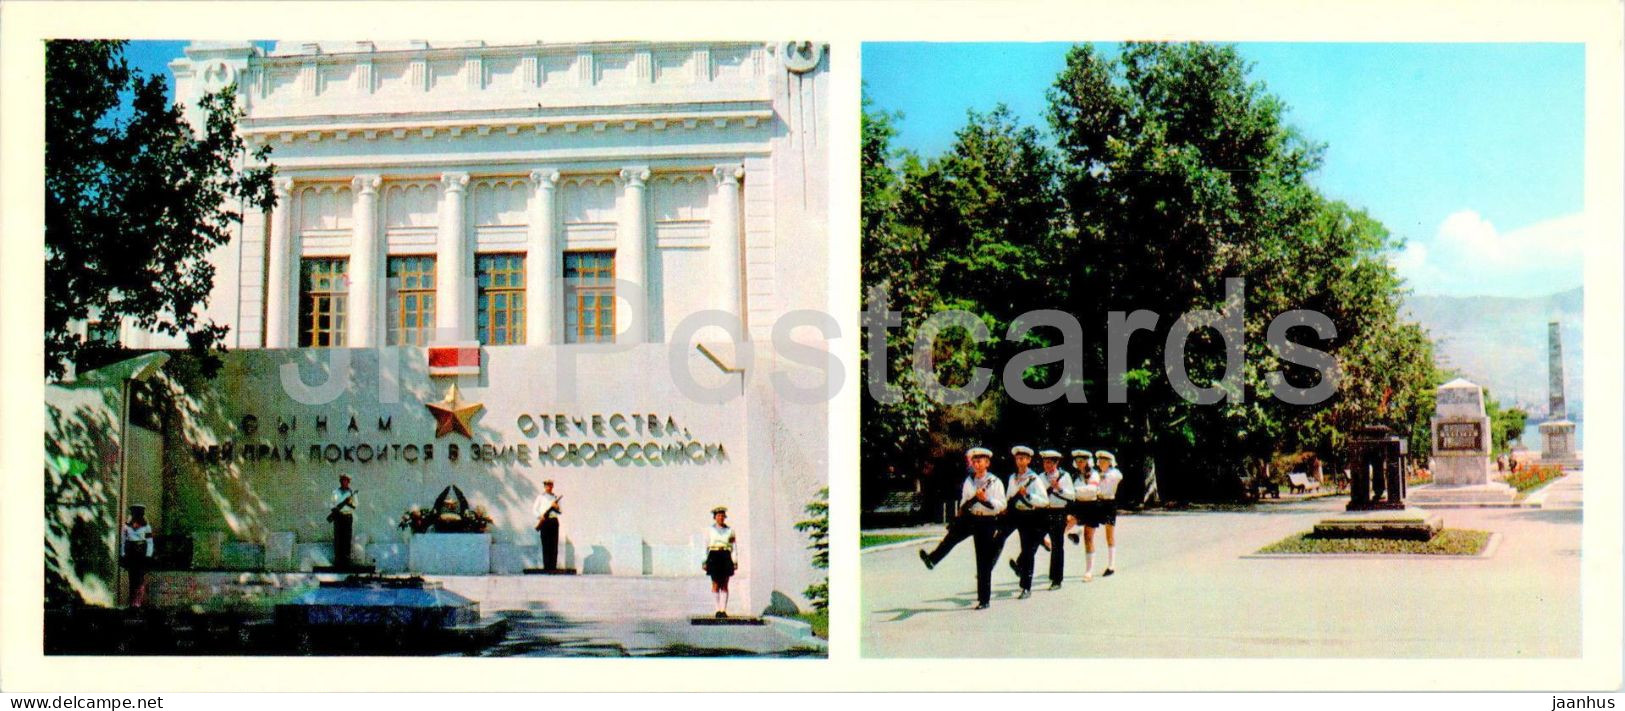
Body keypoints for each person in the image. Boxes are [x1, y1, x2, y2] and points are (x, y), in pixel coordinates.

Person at [918, 446, 1007, 610]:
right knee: (951, 538)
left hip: (986, 521)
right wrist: (958, 518)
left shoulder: (995, 482)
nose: (976, 464)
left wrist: (986, 500)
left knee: (983, 560)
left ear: (987, 463)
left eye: (979, 461)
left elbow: (1001, 505)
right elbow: (964, 500)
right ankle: (932, 559)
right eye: (974, 461)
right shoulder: (969, 480)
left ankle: (984, 600)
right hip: (970, 517)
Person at [1001, 446, 1049, 599]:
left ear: (1028, 460)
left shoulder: (1034, 478)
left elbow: (1044, 501)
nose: (1020, 461)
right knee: (997, 538)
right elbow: (1008, 496)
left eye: (1023, 458)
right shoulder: (1012, 477)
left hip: (1029, 515)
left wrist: (1028, 495)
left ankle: (1026, 587)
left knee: (1027, 551)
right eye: (1017, 458)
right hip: (1015, 513)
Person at [1033, 450, 1075, 590]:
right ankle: (1022, 566)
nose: (1047, 465)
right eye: (1045, 462)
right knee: (1034, 539)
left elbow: (1072, 496)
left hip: (1058, 512)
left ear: (1056, 463)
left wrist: (1059, 489)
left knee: (1057, 546)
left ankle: (1056, 579)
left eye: (1050, 462)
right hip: (1043, 511)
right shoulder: (1040, 477)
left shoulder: (1064, 476)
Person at [1090, 450, 1125, 578]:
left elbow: (1118, 476)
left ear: (1109, 462)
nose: (1100, 463)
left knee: (1109, 535)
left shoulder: (1114, 473)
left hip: (1109, 503)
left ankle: (1111, 565)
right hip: (1097, 501)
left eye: (1103, 461)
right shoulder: (1096, 473)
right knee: (1088, 525)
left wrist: (1105, 474)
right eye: (1099, 461)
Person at [703, 506, 738, 618]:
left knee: (724, 584)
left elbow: (733, 546)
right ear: (715, 517)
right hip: (714, 555)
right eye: (718, 516)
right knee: (715, 583)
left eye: (722, 516)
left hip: (725, 555)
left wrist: (735, 560)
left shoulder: (730, 531)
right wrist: (704, 560)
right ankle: (717, 610)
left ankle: (723, 610)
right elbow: (705, 546)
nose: (721, 518)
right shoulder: (709, 530)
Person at [120, 504, 154, 608]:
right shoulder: (126, 526)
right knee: (132, 578)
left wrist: (148, 555)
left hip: (141, 554)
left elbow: (149, 542)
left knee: (140, 578)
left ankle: (137, 602)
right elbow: (123, 541)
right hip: (131, 554)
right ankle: (132, 602)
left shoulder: (146, 527)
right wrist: (123, 554)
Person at [328, 475, 358, 569]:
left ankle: (346, 560)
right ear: (340, 481)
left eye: (346, 480)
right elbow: (332, 504)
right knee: (338, 538)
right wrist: (337, 507)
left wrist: (348, 503)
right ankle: (338, 560)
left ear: (348, 482)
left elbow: (355, 504)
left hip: (347, 516)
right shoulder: (335, 492)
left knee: (347, 538)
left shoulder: (352, 493)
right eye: (343, 480)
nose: (344, 482)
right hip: (338, 516)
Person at [533, 480, 562, 570]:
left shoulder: (555, 497)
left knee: (554, 544)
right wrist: (539, 516)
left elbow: (560, 511)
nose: (548, 487)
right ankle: (547, 567)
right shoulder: (540, 497)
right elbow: (534, 509)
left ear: (552, 486)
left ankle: (553, 566)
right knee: (546, 544)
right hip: (545, 521)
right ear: (544, 486)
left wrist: (556, 507)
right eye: (546, 485)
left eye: (550, 485)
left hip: (553, 520)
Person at [1065, 449, 1093, 544]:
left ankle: (1077, 533)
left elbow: (1092, 490)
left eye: (1081, 461)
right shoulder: (1074, 475)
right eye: (1077, 461)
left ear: (1087, 462)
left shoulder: (1091, 474)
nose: (1079, 463)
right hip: (1077, 503)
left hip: (1089, 503)